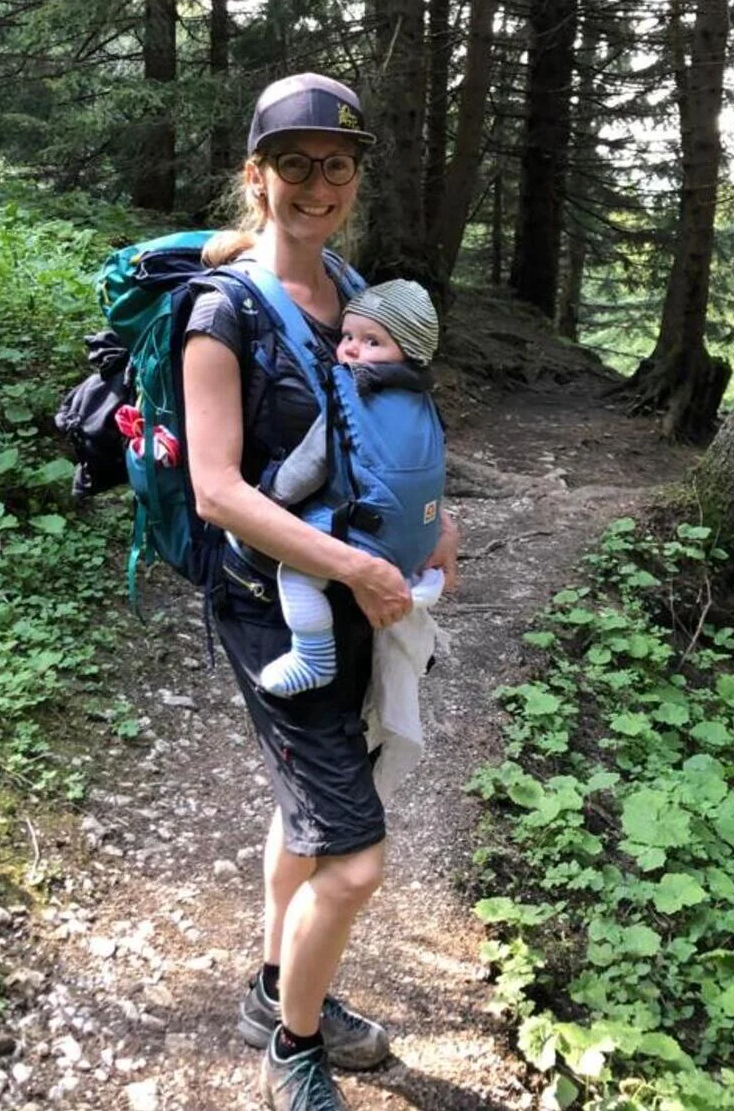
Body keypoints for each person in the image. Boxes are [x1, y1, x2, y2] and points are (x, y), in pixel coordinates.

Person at [181, 72, 459, 1111]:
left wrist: (439, 525)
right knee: (354, 858)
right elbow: (216, 491)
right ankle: (295, 1042)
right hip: (272, 610)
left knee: (307, 816)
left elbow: (376, 430)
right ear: (257, 176)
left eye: (336, 163)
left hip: (349, 595)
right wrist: (354, 566)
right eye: (294, 162)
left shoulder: (349, 288)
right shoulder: (220, 311)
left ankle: (276, 984)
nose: (317, 181)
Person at [258, 277, 444, 698]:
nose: (351, 349)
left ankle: (313, 656)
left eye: (372, 341)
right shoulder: (421, 400)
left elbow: (309, 464)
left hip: (370, 538)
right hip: (419, 538)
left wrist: (271, 497)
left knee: (296, 572)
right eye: (347, 335)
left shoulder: (352, 398)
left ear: (409, 350)